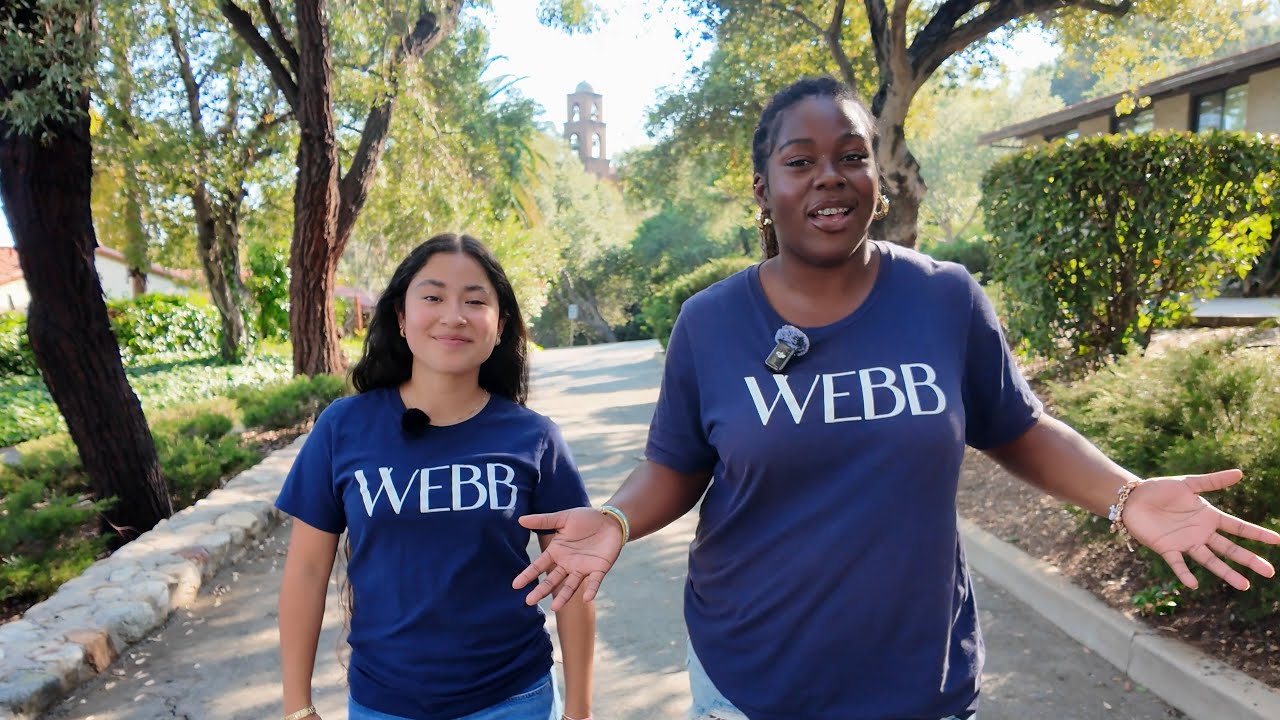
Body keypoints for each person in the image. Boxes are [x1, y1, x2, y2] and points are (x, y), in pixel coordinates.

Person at [512, 78, 1280, 720]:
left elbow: (1017, 427)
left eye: (852, 156)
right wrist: (615, 519)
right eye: (800, 160)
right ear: (764, 187)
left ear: (878, 182)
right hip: (751, 679)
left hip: (921, 679)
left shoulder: (942, 297)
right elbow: (676, 465)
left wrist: (1126, 494)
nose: (830, 176)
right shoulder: (710, 323)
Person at [275, 234, 595, 720]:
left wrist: (579, 710)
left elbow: (571, 579)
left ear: (500, 325)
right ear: (401, 318)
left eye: (475, 301)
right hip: (384, 704)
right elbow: (306, 571)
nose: (454, 315)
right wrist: (297, 708)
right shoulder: (343, 427)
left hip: (513, 700)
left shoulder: (535, 438)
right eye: (432, 297)